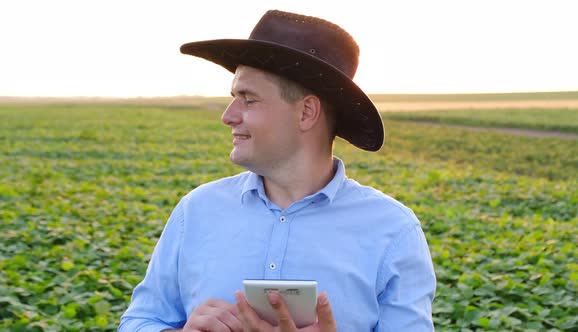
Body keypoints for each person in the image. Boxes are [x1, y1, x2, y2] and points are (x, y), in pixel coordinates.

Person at [119, 9, 436, 332]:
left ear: (306, 112)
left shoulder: (393, 231)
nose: (228, 116)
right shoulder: (197, 211)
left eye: (248, 99)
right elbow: (139, 321)